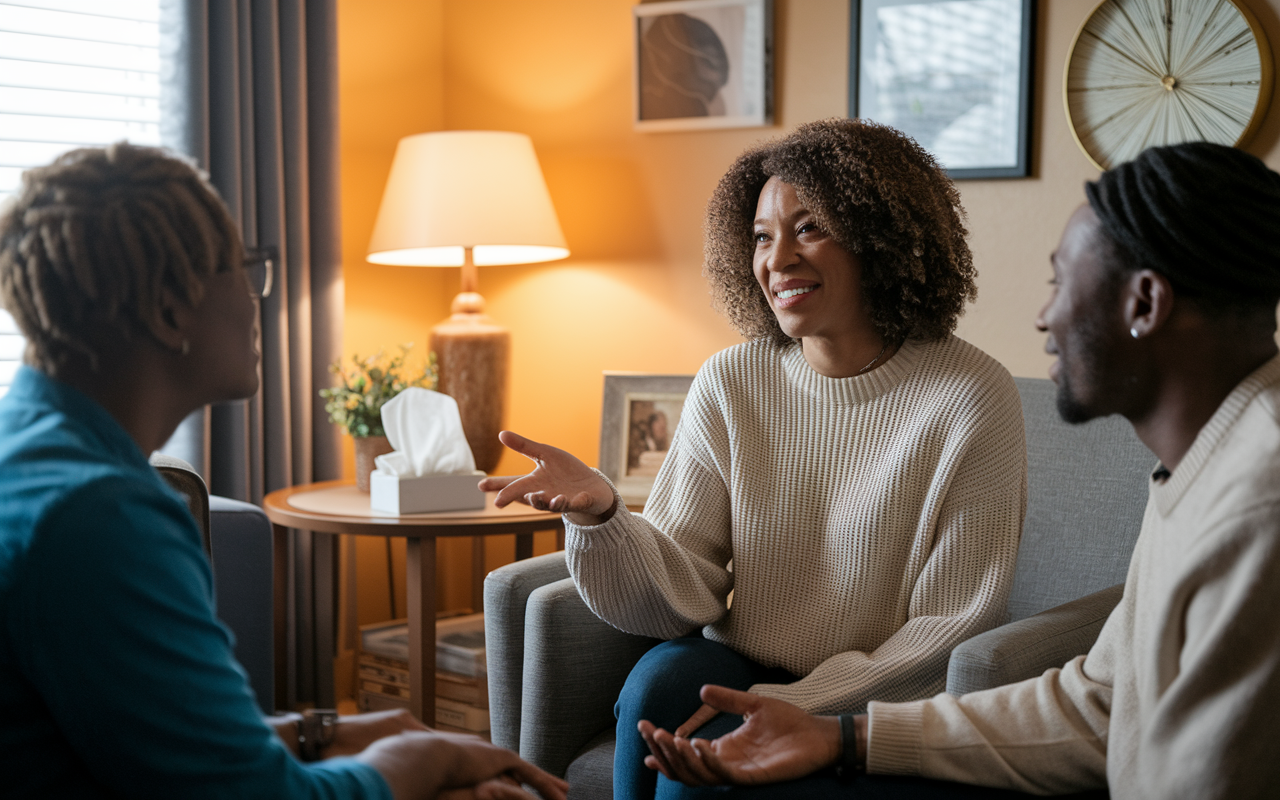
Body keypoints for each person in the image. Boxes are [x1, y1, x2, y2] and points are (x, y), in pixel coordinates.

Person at [638, 141, 1280, 799]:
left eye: (1062, 282)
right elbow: (1100, 703)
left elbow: (1205, 779)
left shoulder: (1257, 507)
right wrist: (842, 738)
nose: (1043, 317)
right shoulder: (1205, 466)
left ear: (1145, 304)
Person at [0, 143, 569, 800]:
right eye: (240, 268)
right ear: (168, 308)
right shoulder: (103, 516)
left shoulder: (36, 454)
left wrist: (317, 733)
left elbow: (160, 740)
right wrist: (424, 762)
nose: (253, 299)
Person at [481, 118, 1028, 799]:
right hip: (741, 661)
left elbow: (950, 629)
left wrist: (798, 702)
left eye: (809, 228)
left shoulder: (972, 395)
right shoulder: (731, 381)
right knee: (659, 679)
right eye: (763, 237)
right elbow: (679, 600)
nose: (778, 259)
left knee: (696, 769)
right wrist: (603, 518)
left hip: (882, 698)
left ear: (879, 236)